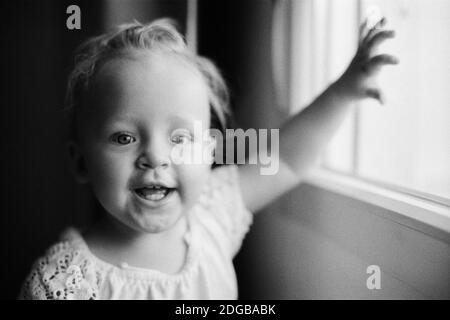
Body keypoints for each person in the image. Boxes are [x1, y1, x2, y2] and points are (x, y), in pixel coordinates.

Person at [19, 17, 397, 299]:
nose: (155, 156)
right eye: (124, 137)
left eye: (181, 138)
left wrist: (344, 91)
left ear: (209, 154)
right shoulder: (63, 285)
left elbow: (286, 160)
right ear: (81, 162)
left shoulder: (213, 213)